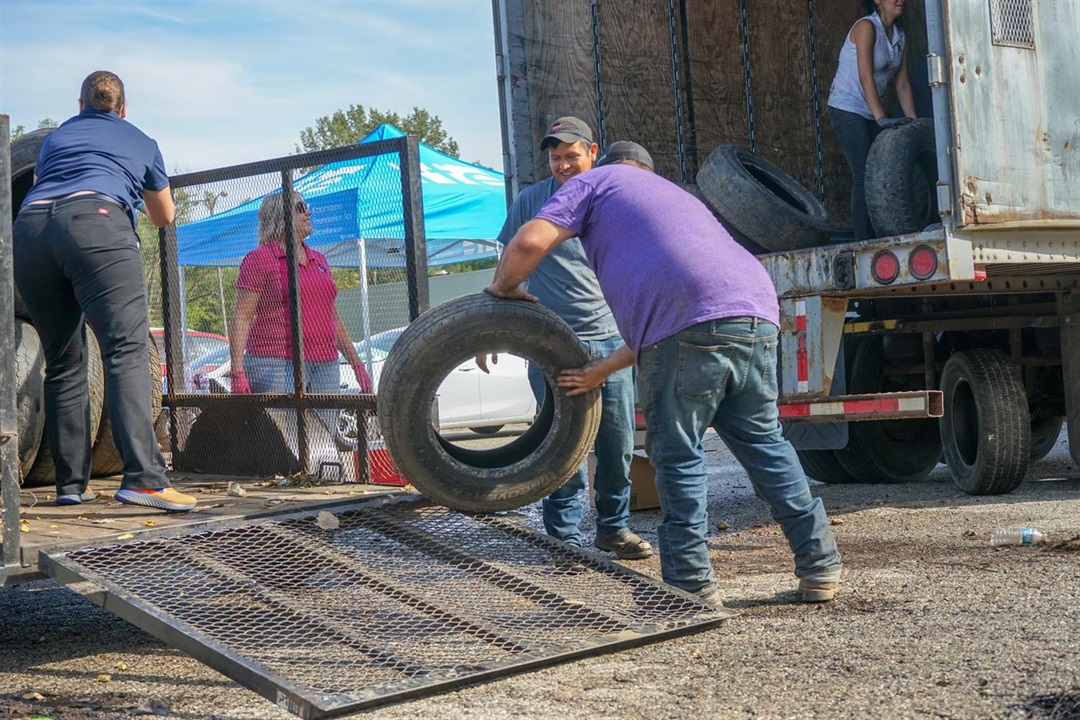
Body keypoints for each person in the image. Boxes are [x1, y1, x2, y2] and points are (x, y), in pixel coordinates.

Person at [484, 142, 842, 608]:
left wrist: (500, 290)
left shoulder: (592, 182)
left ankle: (689, 586)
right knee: (765, 443)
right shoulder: (679, 200)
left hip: (690, 320)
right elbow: (676, 321)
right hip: (756, 310)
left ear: (602, 163)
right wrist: (601, 370)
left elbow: (529, 242)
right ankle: (819, 566)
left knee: (678, 455)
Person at [13, 71, 197, 512]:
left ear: (80, 106)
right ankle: (145, 481)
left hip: (30, 230)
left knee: (64, 360)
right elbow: (163, 216)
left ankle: (70, 486)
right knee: (126, 351)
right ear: (123, 108)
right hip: (97, 220)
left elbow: (41, 182)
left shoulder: (57, 139)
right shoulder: (141, 141)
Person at [485, 118, 651, 560]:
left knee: (616, 447)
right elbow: (507, 265)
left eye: (571, 156)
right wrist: (487, 329)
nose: (563, 165)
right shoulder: (529, 202)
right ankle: (562, 537)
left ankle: (613, 529)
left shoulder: (613, 201)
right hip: (550, 345)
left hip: (609, 341)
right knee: (561, 449)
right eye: (555, 158)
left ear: (592, 152)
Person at [228, 192, 372, 439]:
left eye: (307, 207)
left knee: (324, 437)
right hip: (276, 362)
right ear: (280, 215)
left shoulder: (319, 259)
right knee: (285, 440)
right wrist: (237, 371)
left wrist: (357, 364)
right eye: (301, 207)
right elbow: (242, 317)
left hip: (325, 364)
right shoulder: (259, 259)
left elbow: (333, 318)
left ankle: (317, 477)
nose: (309, 212)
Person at [827, 0, 916, 240]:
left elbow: (902, 82)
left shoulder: (900, 37)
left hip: (870, 112)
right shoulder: (867, 27)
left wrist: (914, 123)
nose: (900, 0)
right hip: (846, 107)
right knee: (863, 172)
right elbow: (865, 76)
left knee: (883, 171)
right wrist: (881, 118)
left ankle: (884, 230)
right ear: (877, 1)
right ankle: (863, 239)